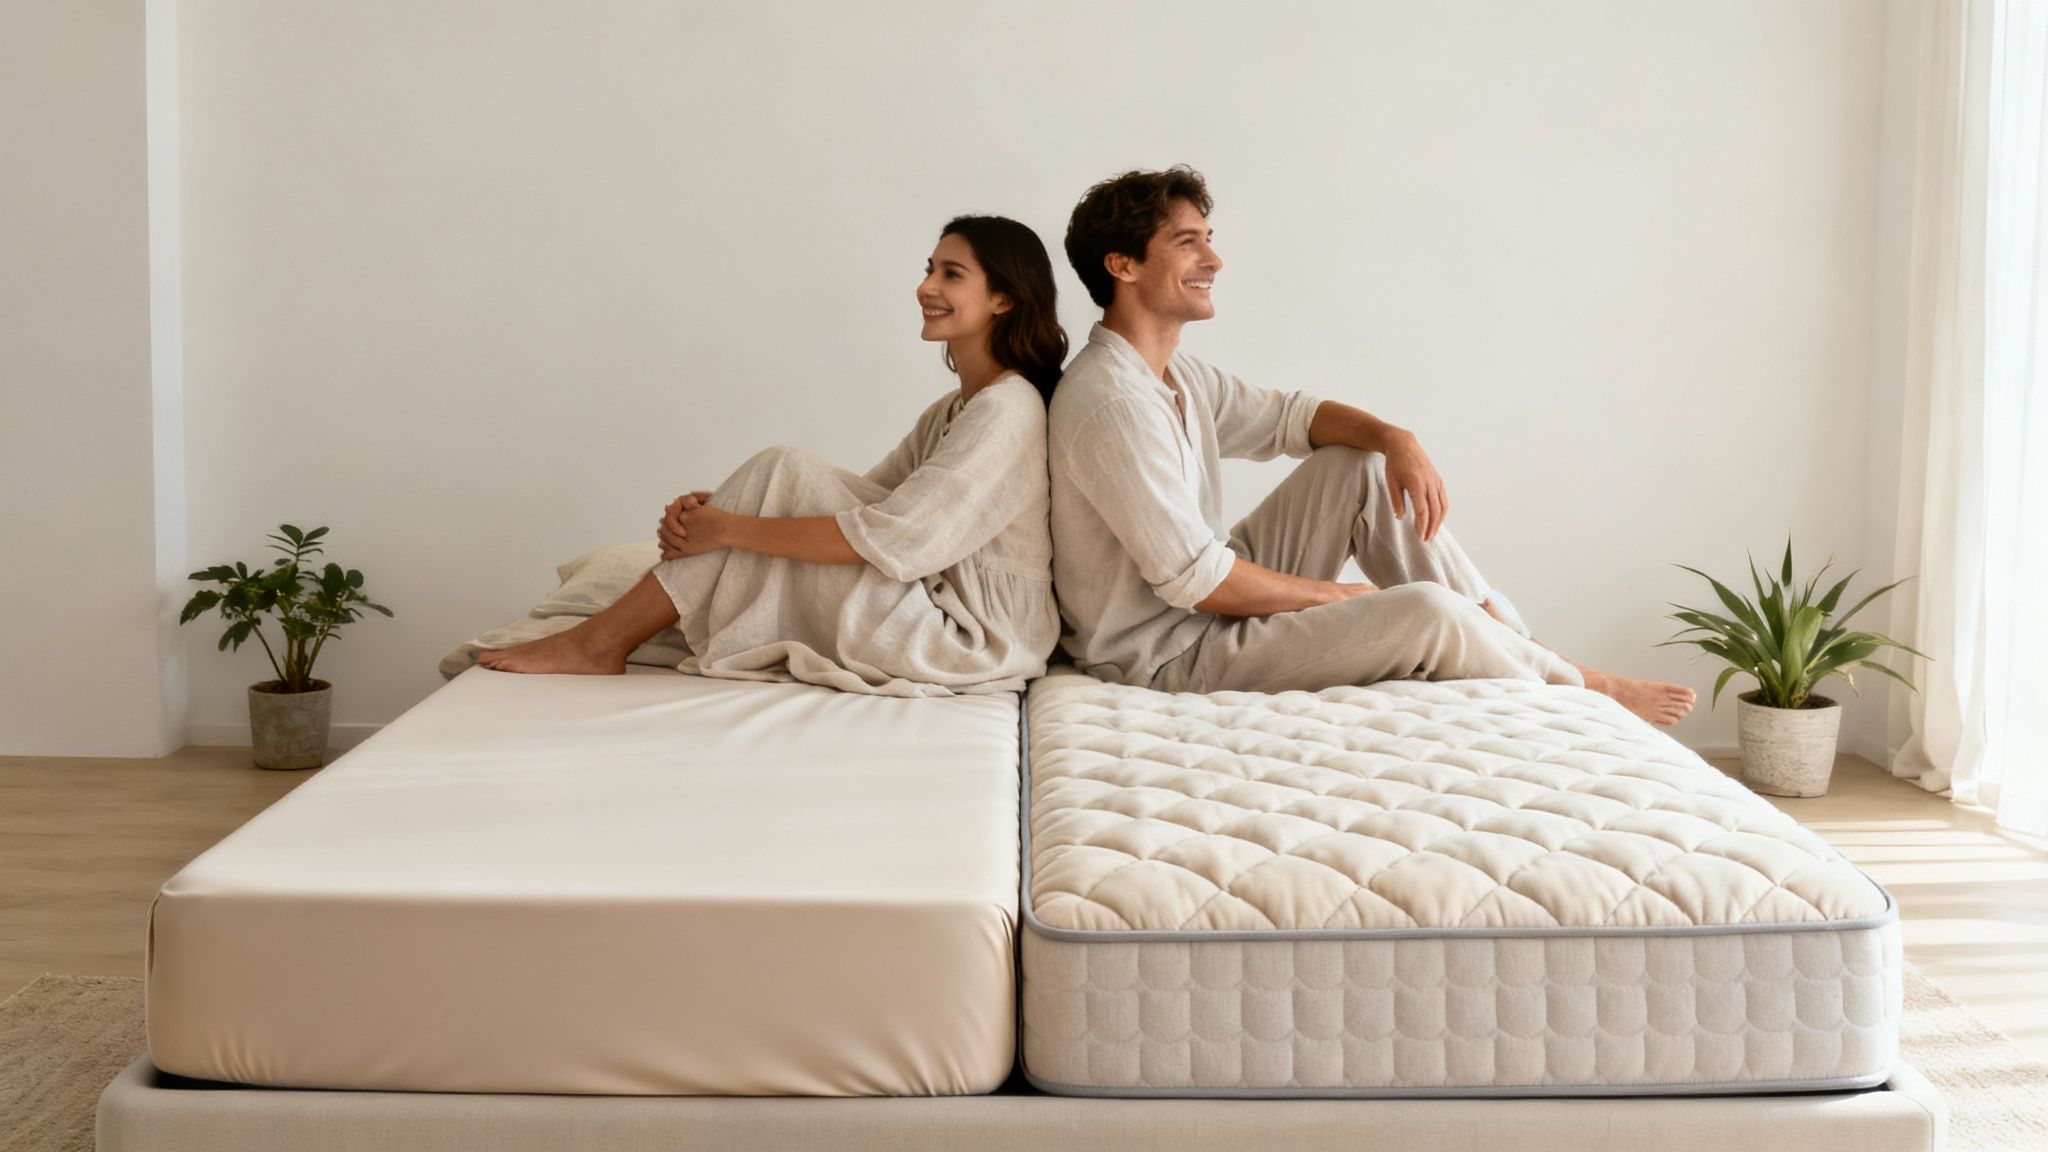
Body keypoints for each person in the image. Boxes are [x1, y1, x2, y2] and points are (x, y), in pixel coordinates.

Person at [1048, 166, 1696, 726]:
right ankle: (1583, 686)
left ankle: (1515, 640)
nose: (1214, 261)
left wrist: (1395, 439)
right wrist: (1341, 599)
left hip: (1199, 605)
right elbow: (1197, 579)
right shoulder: (1111, 402)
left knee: (1356, 466)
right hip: (1164, 652)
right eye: (1188, 244)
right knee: (1423, 614)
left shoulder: (1174, 375)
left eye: (1209, 241)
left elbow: (1289, 417)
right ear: (1123, 264)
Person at [477, 216, 1065, 696]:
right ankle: (601, 638)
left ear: (1003, 299)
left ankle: (597, 643)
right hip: (936, 608)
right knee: (778, 476)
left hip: (969, 639)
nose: (926, 287)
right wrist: (722, 515)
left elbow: (897, 539)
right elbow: (868, 498)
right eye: (929, 269)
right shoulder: (956, 408)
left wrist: (730, 528)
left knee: (779, 469)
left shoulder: (1007, 411)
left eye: (951, 274)